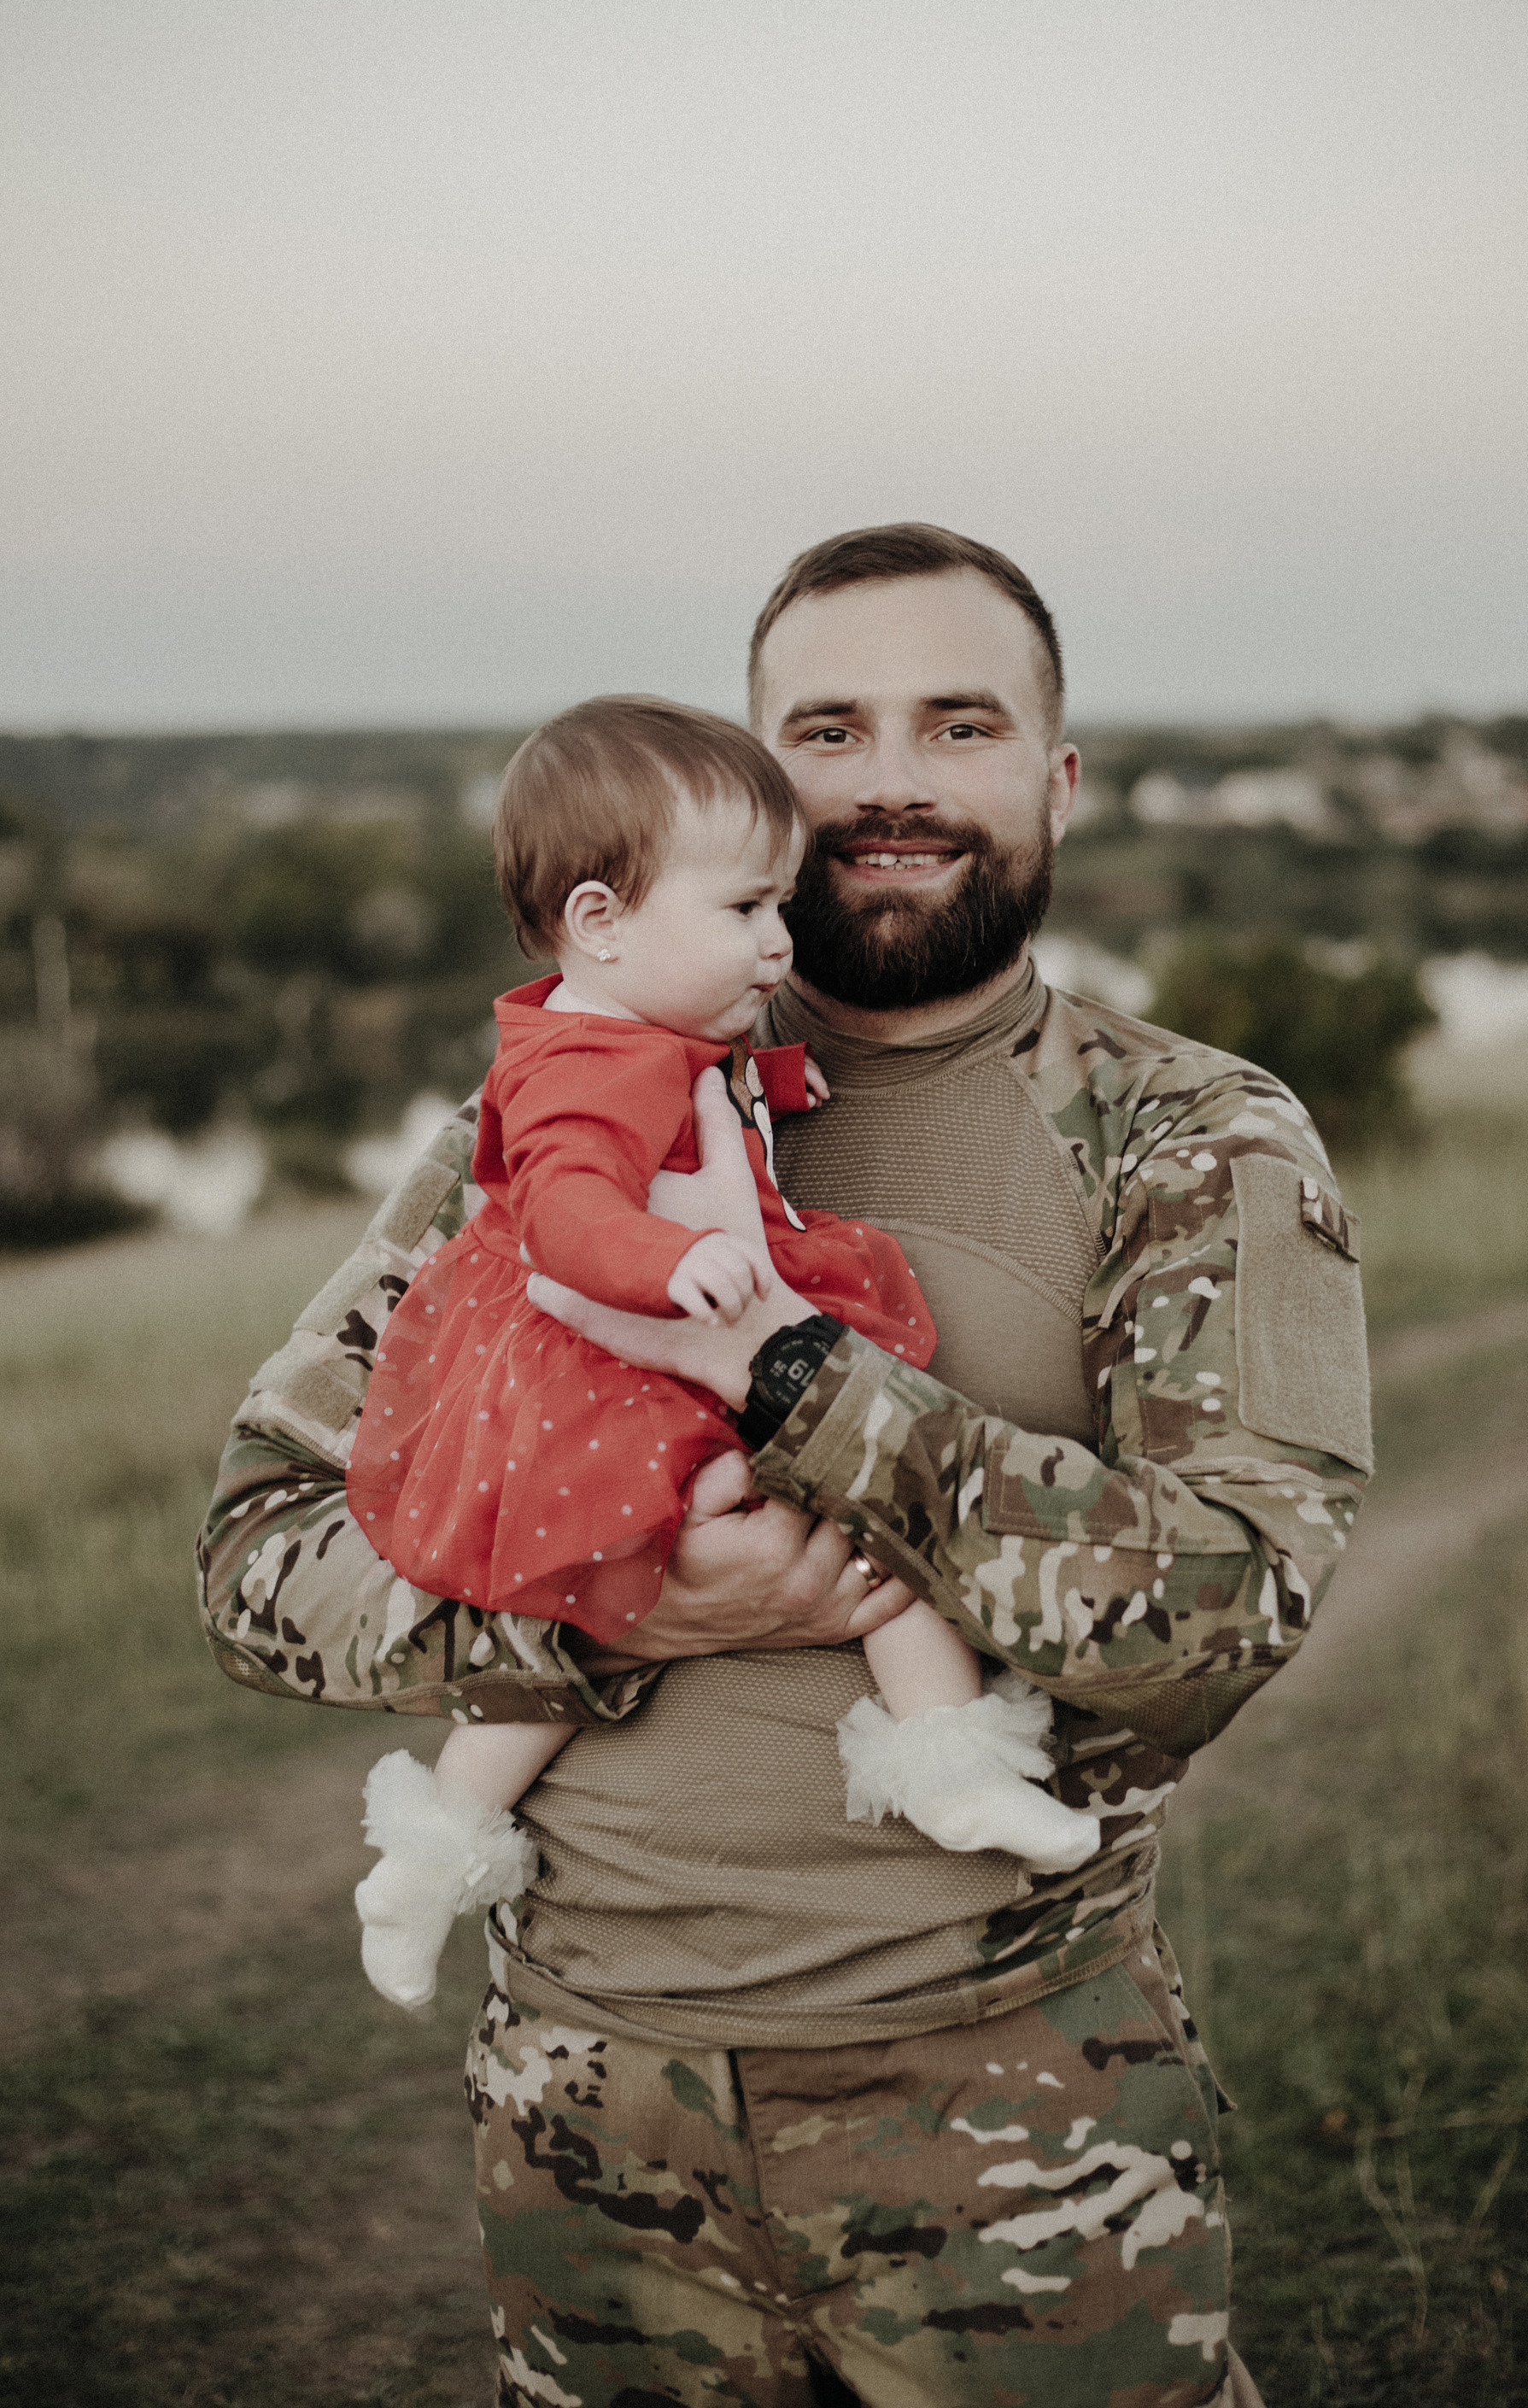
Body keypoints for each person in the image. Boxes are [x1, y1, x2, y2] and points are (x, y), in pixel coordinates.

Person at [201, 522, 1373, 2408]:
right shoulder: (546, 1127)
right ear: (741, 780)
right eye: (827, 730)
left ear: (1053, 779)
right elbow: (258, 1555)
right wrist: (616, 1607)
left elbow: (1221, 1609)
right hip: (586, 2105)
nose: (890, 779)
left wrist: (808, 1385)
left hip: (1008, 2098)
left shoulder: (1191, 1137)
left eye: (959, 724)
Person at [349, 695, 1099, 2009]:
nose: (778, 940)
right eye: (747, 911)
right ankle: (949, 1759)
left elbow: (717, 1109)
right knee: (844, 1524)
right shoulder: (589, 1069)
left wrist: (781, 1089)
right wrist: (672, 1264)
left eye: (781, 907)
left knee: (595, 1606)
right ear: (601, 921)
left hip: (624, 1363)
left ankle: (432, 1851)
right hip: (617, 1364)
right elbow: (576, 1206)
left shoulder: (646, 1038)